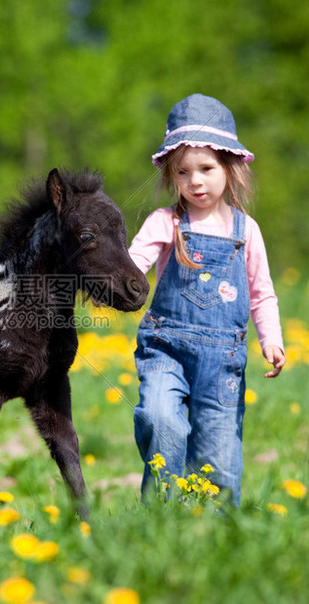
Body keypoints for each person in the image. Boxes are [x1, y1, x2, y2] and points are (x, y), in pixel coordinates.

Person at [129, 93, 285, 505]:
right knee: (159, 419)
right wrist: (117, 279)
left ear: (230, 167)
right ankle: (161, 519)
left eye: (206, 168)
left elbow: (261, 292)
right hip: (166, 350)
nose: (195, 181)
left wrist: (271, 338)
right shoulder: (166, 222)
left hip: (223, 366)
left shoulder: (245, 230)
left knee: (218, 460)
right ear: (171, 177)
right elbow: (132, 265)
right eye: (183, 172)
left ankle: (214, 537)